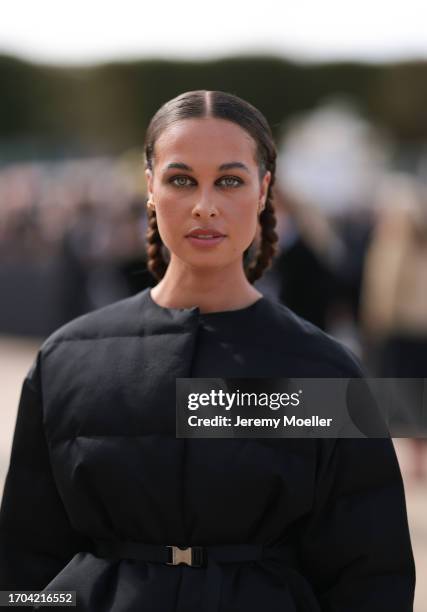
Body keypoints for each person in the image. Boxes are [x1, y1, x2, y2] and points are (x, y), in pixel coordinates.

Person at [0, 90, 415, 611]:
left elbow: (370, 573)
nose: (205, 204)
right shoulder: (66, 360)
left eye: (229, 180)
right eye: (181, 180)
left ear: (264, 192)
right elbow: (22, 563)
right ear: (149, 188)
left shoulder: (323, 370)